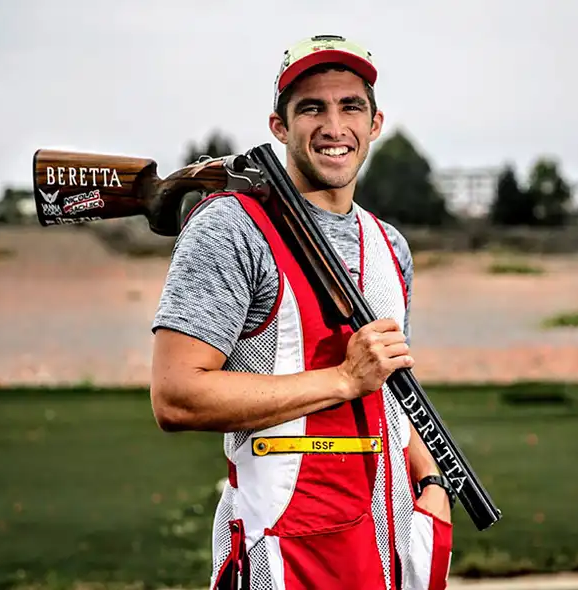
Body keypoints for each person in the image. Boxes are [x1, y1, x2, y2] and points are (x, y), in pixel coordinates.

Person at [149, 34, 454, 590]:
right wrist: (342, 379)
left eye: (351, 106)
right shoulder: (230, 227)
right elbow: (175, 396)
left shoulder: (390, 245)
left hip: (383, 546)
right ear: (279, 127)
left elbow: (390, 389)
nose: (334, 126)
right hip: (282, 548)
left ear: (376, 123)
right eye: (311, 107)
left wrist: (431, 478)